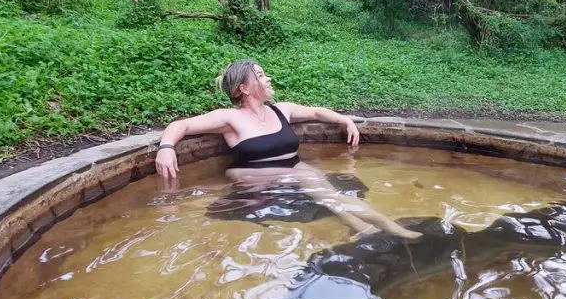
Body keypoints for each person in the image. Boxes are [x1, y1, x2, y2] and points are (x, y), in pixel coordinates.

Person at [154, 59, 420, 238]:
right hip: (254, 179)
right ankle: (368, 227)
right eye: (260, 75)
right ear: (243, 88)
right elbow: (182, 125)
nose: (268, 79)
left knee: (330, 193)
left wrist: (344, 119)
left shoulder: (281, 110)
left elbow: (316, 111)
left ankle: (380, 226)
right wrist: (166, 147)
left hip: (293, 170)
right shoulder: (229, 118)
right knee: (309, 180)